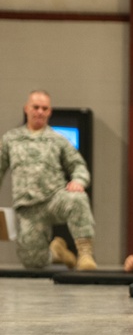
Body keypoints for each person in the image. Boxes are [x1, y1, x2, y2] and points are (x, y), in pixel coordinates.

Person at [0, 90, 97, 270]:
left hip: (54, 199)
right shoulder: (10, 139)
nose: (40, 112)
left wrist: (78, 181)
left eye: (45, 108)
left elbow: (78, 166)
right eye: (36, 107)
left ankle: (85, 255)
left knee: (77, 199)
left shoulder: (58, 140)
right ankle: (57, 253)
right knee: (32, 262)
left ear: (49, 112)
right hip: (27, 207)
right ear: (26, 109)